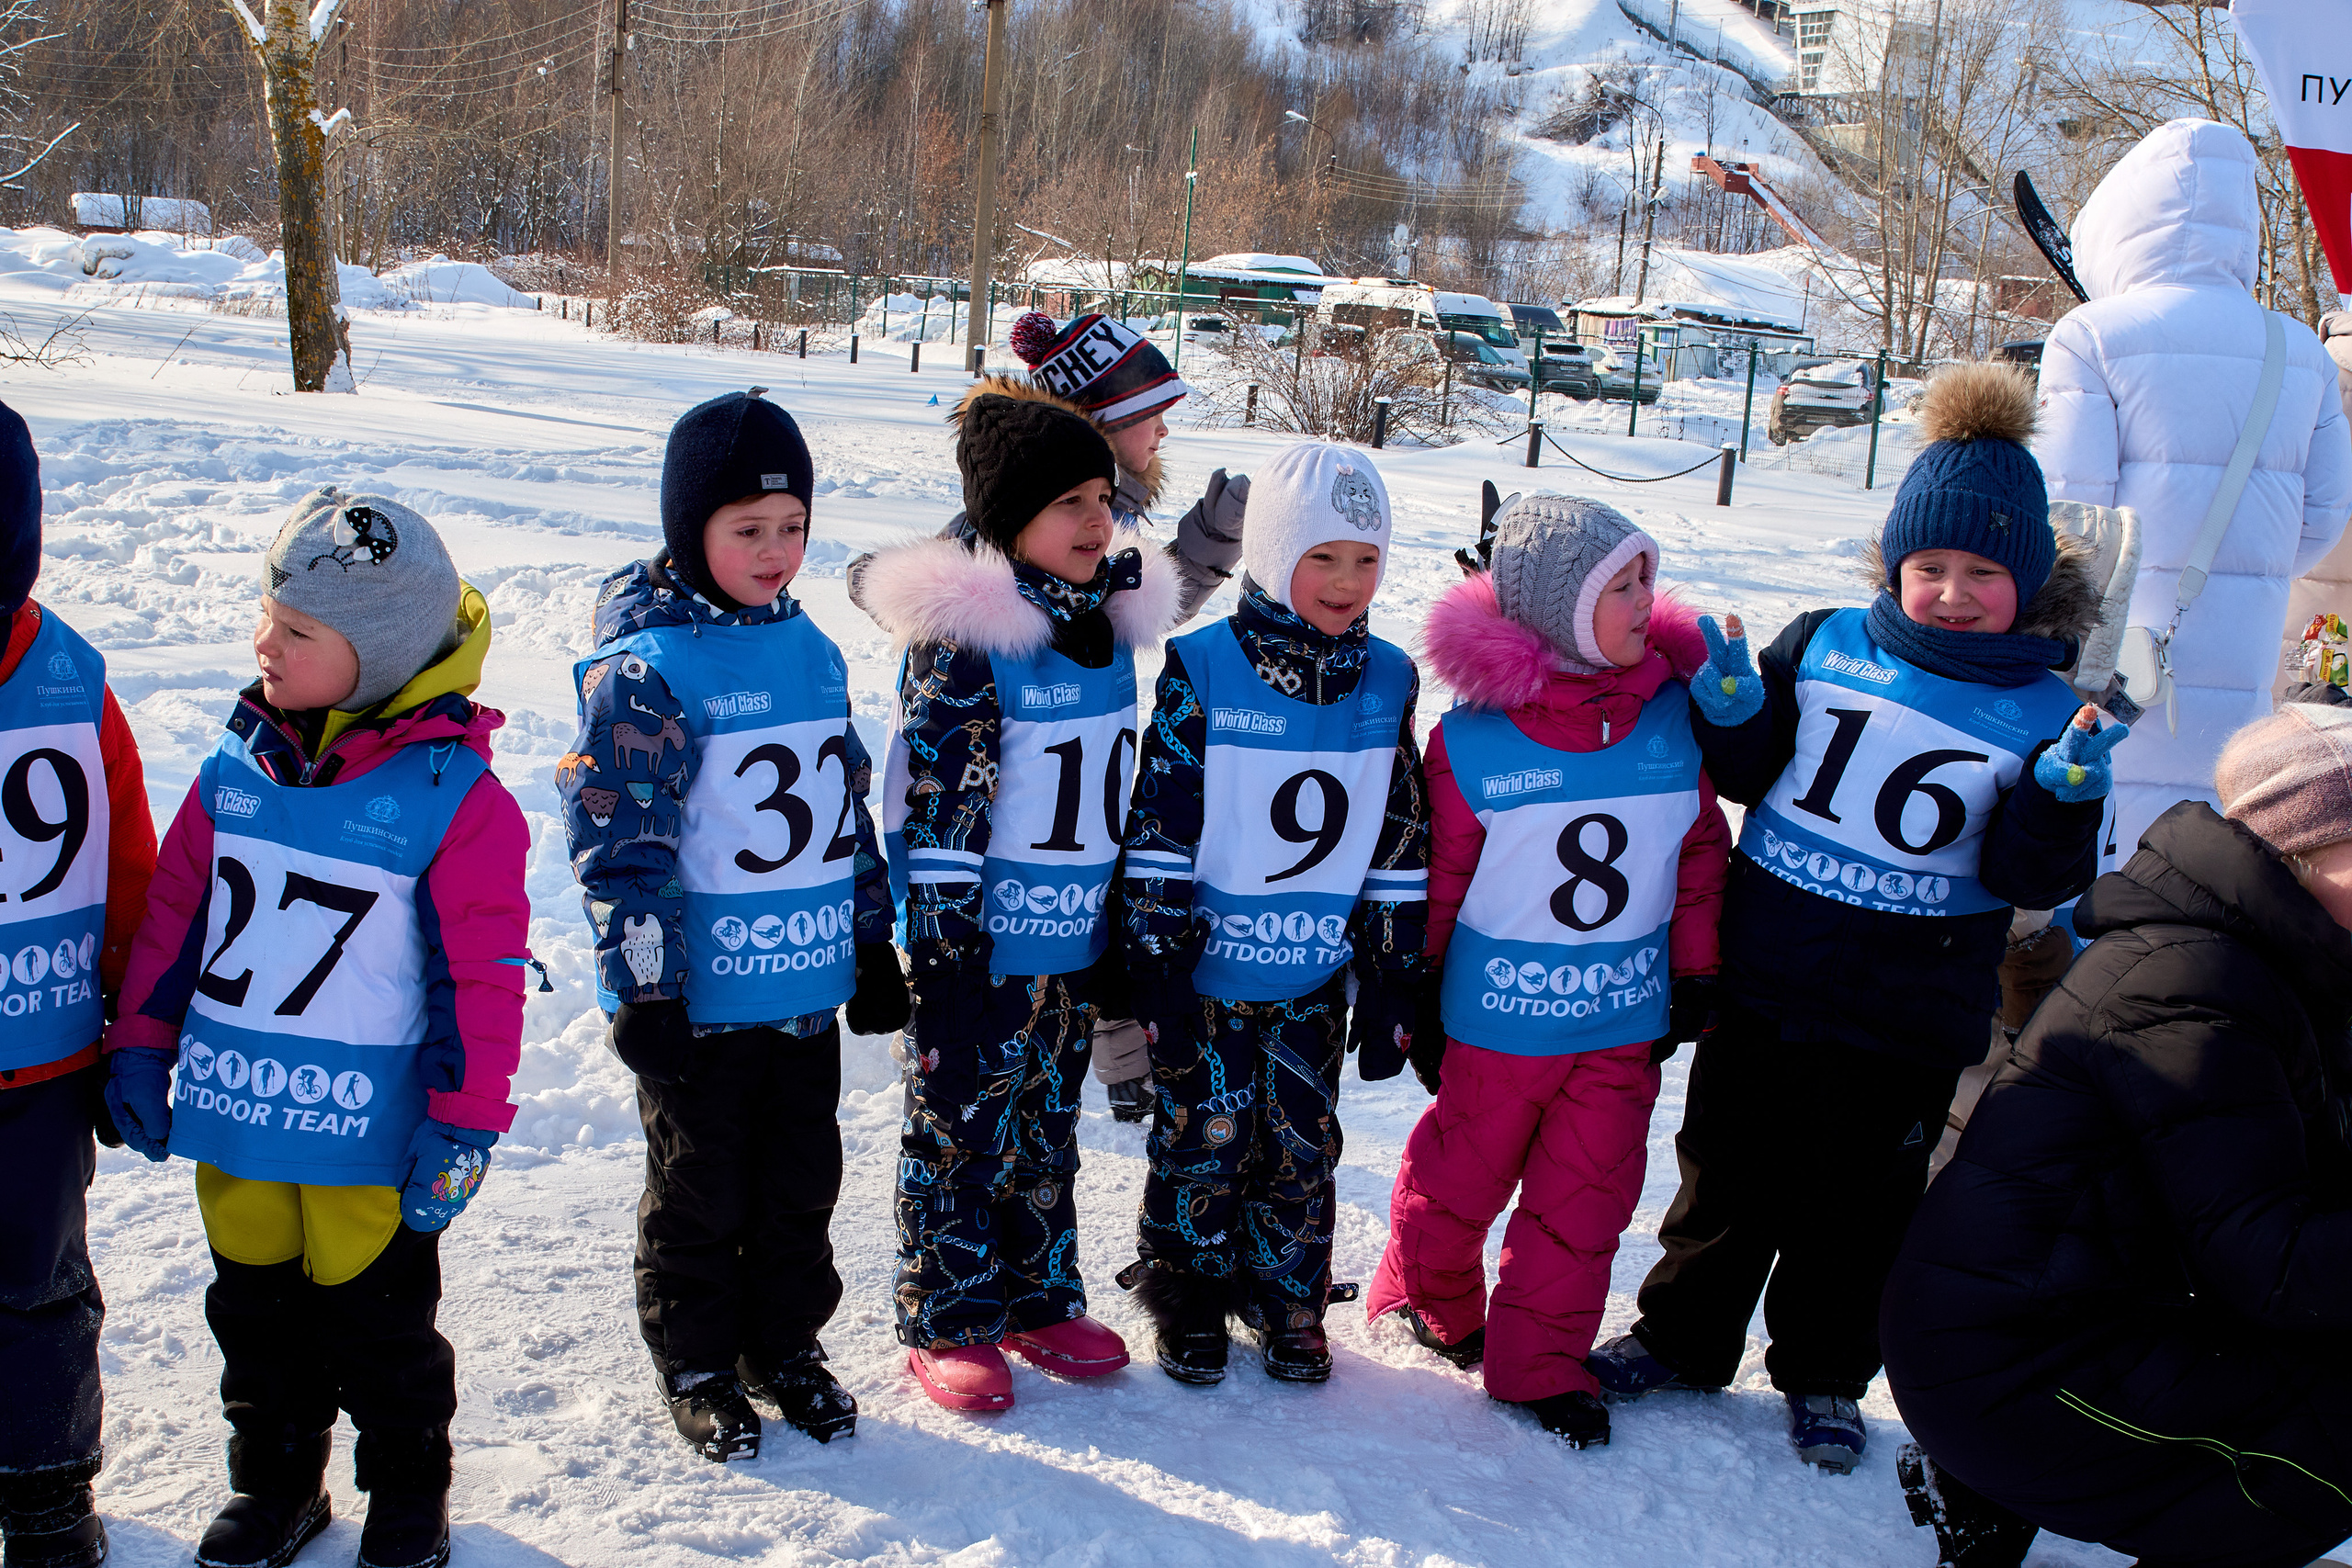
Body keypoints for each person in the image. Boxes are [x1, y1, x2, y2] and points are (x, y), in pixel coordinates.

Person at [1586, 363, 2118, 1472]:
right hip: (1768, 975)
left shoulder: (2040, 706)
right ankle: (1682, 1336)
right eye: (1928, 567)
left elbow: (2027, 869)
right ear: (1894, 563)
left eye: (1982, 573)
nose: (1953, 593)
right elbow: (1754, 768)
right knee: (1723, 1174)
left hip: (1907, 1008)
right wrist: (1732, 712)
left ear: (2029, 582)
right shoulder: (1828, 639)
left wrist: (2062, 797)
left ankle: (1825, 1371)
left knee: (1858, 1207)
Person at [104, 491, 530, 1568]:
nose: (266, 644)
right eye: (266, 615)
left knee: (381, 1325)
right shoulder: (233, 770)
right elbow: (173, 919)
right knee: (254, 1315)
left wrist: (466, 1120)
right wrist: (142, 1048)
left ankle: (407, 1492)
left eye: (298, 632)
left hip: (365, 1135)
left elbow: (483, 977)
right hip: (241, 1116)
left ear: (377, 656)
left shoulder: (454, 798)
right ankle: (280, 1478)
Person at [1884, 705, 2352, 1568]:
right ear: (2301, 848)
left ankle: (1989, 1490)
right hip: (2014, 1364)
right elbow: (2280, 1266)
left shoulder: (2287, 952)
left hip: (2099, 1305)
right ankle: (2013, 1481)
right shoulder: (2193, 985)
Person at [560, 389, 906, 1462]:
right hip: (703, 1001)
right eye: (747, 530)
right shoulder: (649, 669)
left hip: (799, 990)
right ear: (689, 530)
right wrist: (647, 987)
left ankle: (783, 1347)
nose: (775, 551)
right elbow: (623, 845)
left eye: (792, 526)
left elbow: (840, 810)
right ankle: (699, 1359)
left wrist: (867, 936)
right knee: (702, 1188)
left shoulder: (807, 650)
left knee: (802, 1182)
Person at [1363, 495, 1728, 1449]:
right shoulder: (1475, 741)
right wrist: (1420, 991)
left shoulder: (1670, 720)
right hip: (1496, 1023)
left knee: (1586, 1201)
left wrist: (1696, 975)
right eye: (1620, 585)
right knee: (1460, 1183)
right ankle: (1429, 1288)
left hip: (1619, 1022)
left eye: (1649, 576)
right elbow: (1439, 881)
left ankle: (1538, 1366)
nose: (1647, 600)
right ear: (1559, 611)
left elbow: (1695, 855)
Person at [848, 309, 1248, 1123]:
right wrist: (946, 958)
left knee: (1040, 1125)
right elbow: (952, 783)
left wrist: (1202, 548)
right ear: (1096, 421)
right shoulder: (1014, 530)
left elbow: (1136, 610)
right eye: (1147, 416)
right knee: (973, 1116)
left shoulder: (1094, 527)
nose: (1164, 431)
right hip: (989, 911)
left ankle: (1106, 1066)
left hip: (1065, 897)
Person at [861, 389, 1180, 1411]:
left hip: (1070, 935)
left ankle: (1037, 1296)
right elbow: (940, 802)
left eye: (1103, 497)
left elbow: (1108, 792)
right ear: (1007, 521)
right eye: (1068, 504)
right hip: (984, 947)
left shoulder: (1104, 626)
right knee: (960, 1128)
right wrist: (945, 948)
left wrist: (1118, 926)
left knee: (1046, 1125)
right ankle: (948, 1310)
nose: (1097, 521)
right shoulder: (970, 643)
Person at [1115, 442, 1429, 1387]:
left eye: (1365, 560)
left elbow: (1397, 833)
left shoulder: (1386, 679)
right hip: (1208, 969)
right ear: (1268, 553)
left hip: (1311, 974)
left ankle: (1287, 1296)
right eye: (1321, 556)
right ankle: (1190, 1296)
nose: (1345, 581)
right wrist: (1155, 955)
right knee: (1200, 1136)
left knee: (1302, 1142)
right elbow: (1163, 817)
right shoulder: (1204, 665)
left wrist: (1391, 970)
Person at [2037, 117, 2352, 872]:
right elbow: (2323, 522)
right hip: (2241, 652)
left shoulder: (2093, 335)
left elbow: (2069, 522)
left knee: (2092, 842)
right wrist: (2253, 566)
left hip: (2114, 656)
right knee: (2201, 849)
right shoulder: (2297, 350)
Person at [0, 400, 156, 1568]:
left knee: (37, 1278)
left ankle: (48, 1488)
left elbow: (130, 868)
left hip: (41, 1058)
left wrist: (134, 1022)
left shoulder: (69, 683)